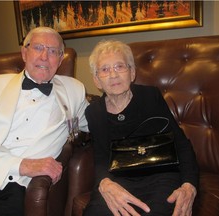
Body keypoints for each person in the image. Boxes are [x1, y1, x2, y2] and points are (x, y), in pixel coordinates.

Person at [0, 26, 89, 216]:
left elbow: (96, 121)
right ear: (24, 53)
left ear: (60, 60)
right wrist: (21, 165)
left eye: (53, 52)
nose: (44, 56)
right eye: (38, 47)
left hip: (18, 188)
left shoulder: (73, 90)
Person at [84, 40, 199, 216]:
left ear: (132, 72)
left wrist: (189, 185)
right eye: (105, 69)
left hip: (160, 177)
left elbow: (181, 144)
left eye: (119, 66)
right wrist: (104, 182)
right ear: (97, 80)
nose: (113, 74)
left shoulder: (150, 97)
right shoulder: (94, 112)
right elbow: (100, 157)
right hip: (119, 181)